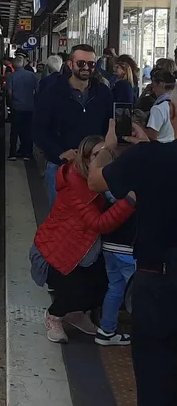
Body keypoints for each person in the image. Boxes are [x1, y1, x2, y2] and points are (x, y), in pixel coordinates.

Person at [89, 115, 177, 406]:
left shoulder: (149, 158)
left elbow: (95, 179)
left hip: (159, 282)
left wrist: (108, 147)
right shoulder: (150, 154)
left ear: (173, 115)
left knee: (155, 376)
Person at [30, 135, 135, 344]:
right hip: (56, 254)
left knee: (106, 286)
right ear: (85, 160)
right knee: (78, 291)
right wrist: (131, 201)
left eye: (108, 154)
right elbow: (98, 223)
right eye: (98, 155)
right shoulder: (76, 184)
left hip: (84, 252)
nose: (104, 160)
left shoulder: (99, 181)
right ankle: (54, 315)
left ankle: (75, 313)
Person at [33, 44, 114, 203]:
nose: (86, 68)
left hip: (95, 166)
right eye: (81, 63)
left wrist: (104, 151)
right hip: (62, 168)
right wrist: (60, 153)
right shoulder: (52, 93)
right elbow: (38, 129)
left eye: (91, 64)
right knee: (62, 219)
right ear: (70, 64)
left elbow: (109, 125)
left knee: (95, 218)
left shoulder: (103, 93)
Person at [96, 190, 136, 347]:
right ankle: (146, 336)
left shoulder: (112, 185)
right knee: (138, 295)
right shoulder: (137, 188)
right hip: (129, 250)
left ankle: (106, 331)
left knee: (115, 288)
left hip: (109, 246)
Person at [6, 55, 37, 161]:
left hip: (16, 107)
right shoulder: (32, 75)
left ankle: (13, 153)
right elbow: (37, 91)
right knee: (28, 130)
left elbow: (9, 92)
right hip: (29, 107)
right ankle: (27, 153)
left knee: (14, 131)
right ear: (23, 64)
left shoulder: (11, 76)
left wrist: (10, 104)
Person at [145, 68, 175, 143]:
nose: (153, 90)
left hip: (161, 148)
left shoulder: (158, 108)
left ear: (161, 84)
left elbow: (152, 135)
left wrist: (138, 125)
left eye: (153, 86)